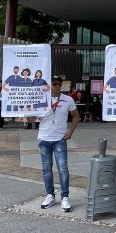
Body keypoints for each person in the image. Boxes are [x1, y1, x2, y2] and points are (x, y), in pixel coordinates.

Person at [38, 75, 80, 213]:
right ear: (49, 85)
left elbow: (76, 116)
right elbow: (32, 117)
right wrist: (26, 115)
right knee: (46, 169)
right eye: (54, 83)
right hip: (44, 139)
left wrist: (71, 132)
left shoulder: (68, 99)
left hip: (59, 140)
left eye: (59, 84)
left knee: (63, 168)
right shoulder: (41, 99)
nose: (57, 86)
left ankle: (65, 197)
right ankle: (50, 195)